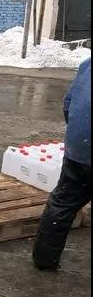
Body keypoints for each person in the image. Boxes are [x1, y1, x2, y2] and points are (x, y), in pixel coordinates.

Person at [33, 57, 91, 271]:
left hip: (79, 148)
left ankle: (44, 260)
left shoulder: (88, 64)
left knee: (63, 203)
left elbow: (68, 104)